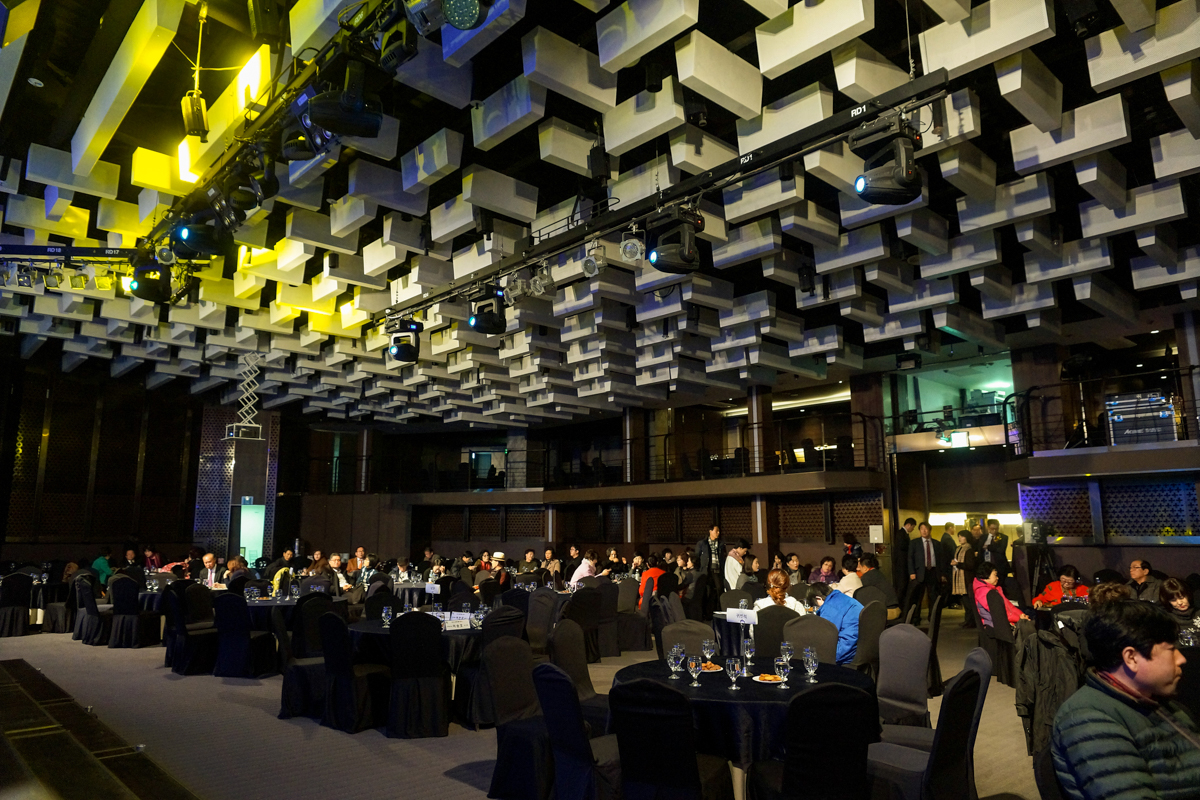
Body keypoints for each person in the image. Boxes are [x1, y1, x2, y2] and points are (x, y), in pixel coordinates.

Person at [1052, 601, 1200, 799]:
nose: (1181, 659)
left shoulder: (1150, 698)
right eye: (1171, 650)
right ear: (1131, 658)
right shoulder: (1088, 720)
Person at [807, 582, 862, 665]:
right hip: (858, 647)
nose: (818, 609)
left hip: (846, 651)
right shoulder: (842, 598)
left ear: (818, 598)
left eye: (816, 606)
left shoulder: (830, 607)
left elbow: (825, 636)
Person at [907, 521, 945, 625]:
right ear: (919, 531)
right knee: (918, 597)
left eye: (926, 529)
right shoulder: (914, 543)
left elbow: (941, 559)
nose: (924, 531)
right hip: (919, 572)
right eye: (922, 529)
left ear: (930, 530)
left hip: (933, 572)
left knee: (933, 596)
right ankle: (916, 618)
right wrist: (911, 572)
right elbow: (910, 559)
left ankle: (932, 618)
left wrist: (942, 574)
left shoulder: (937, 544)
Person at [973, 565, 1030, 631]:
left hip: (1003, 622)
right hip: (994, 626)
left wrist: (1021, 614)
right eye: (995, 575)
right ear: (986, 575)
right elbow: (999, 613)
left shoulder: (995, 589)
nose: (997, 578)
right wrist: (1019, 618)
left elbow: (1009, 605)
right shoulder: (984, 592)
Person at [858, 553, 900, 620]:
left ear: (865, 568)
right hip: (896, 609)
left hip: (887, 612)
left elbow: (864, 597)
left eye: (860, 567)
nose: (858, 569)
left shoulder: (867, 577)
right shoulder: (878, 573)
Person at [693, 524, 726, 610]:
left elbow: (723, 557)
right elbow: (697, 556)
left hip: (717, 569)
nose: (718, 533)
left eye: (718, 531)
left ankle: (719, 608)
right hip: (706, 569)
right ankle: (706, 610)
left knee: (719, 589)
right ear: (710, 531)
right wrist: (698, 569)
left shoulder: (721, 544)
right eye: (716, 531)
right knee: (707, 590)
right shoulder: (702, 543)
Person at [951, 530, 977, 617]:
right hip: (959, 576)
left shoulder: (969, 550)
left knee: (968, 601)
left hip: (966, 578)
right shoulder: (959, 548)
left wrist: (958, 564)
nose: (959, 538)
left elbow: (970, 565)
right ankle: (967, 619)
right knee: (964, 600)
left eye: (962, 536)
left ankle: (971, 620)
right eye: (959, 536)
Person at [895, 517, 915, 599]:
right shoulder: (901, 533)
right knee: (902, 584)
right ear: (908, 525)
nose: (913, 529)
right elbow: (902, 546)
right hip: (901, 563)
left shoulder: (903, 533)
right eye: (913, 527)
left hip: (902, 563)